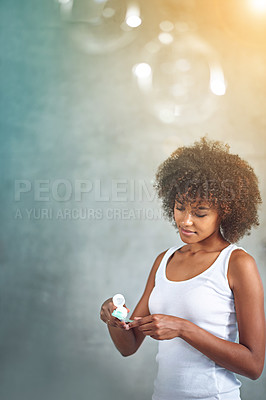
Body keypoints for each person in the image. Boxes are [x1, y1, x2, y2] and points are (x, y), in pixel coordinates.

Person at [100, 137, 265, 400]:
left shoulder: (236, 264)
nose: (185, 220)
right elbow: (128, 346)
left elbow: (254, 365)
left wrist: (183, 328)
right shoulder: (164, 260)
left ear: (225, 211)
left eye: (200, 213)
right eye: (179, 208)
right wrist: (114, 320)